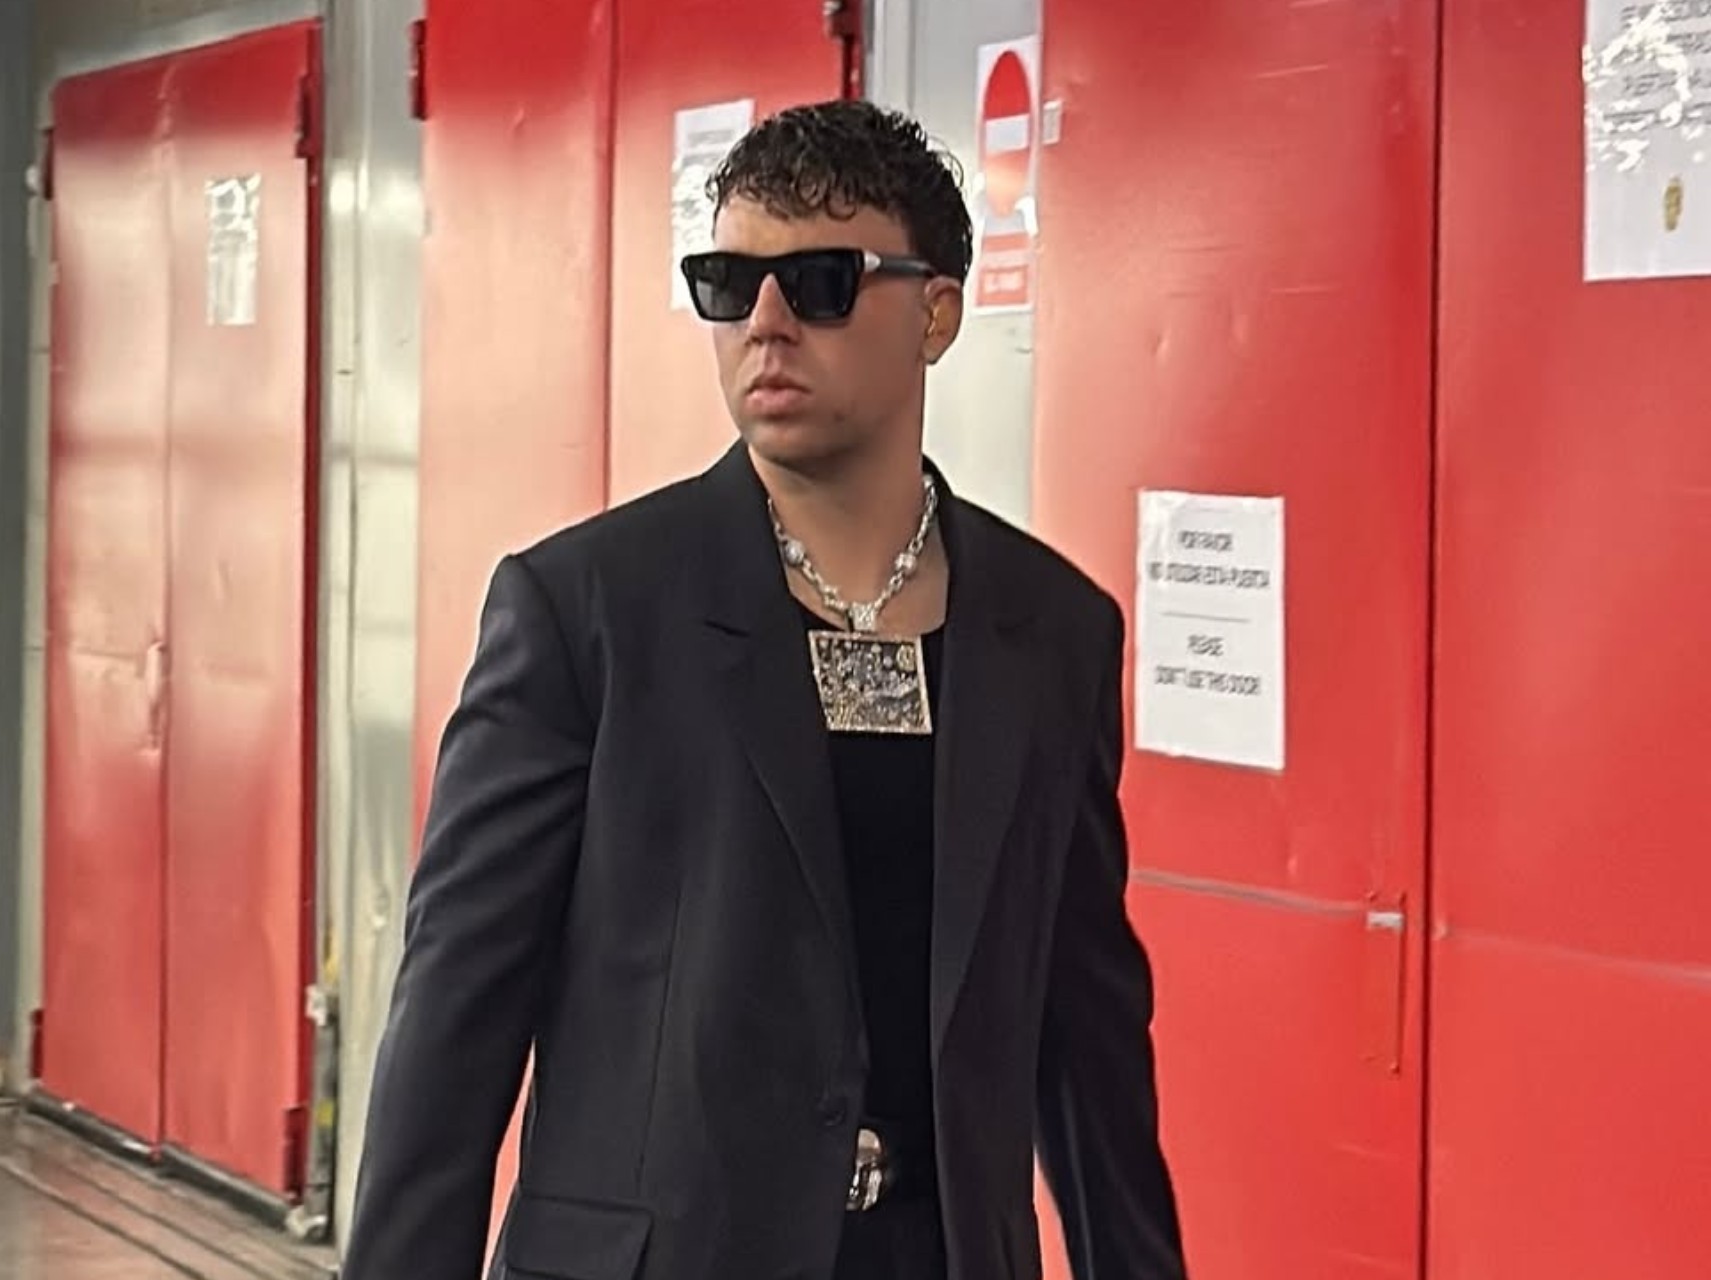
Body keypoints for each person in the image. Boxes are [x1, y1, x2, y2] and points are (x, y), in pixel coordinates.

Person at [339, 99, 1187, 1280]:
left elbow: (1087, 1034)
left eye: (823, 283)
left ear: (936, 312)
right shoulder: (587, 609)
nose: (768, 323)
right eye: (730, 285)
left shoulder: (1050, 635)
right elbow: (455, 1018)